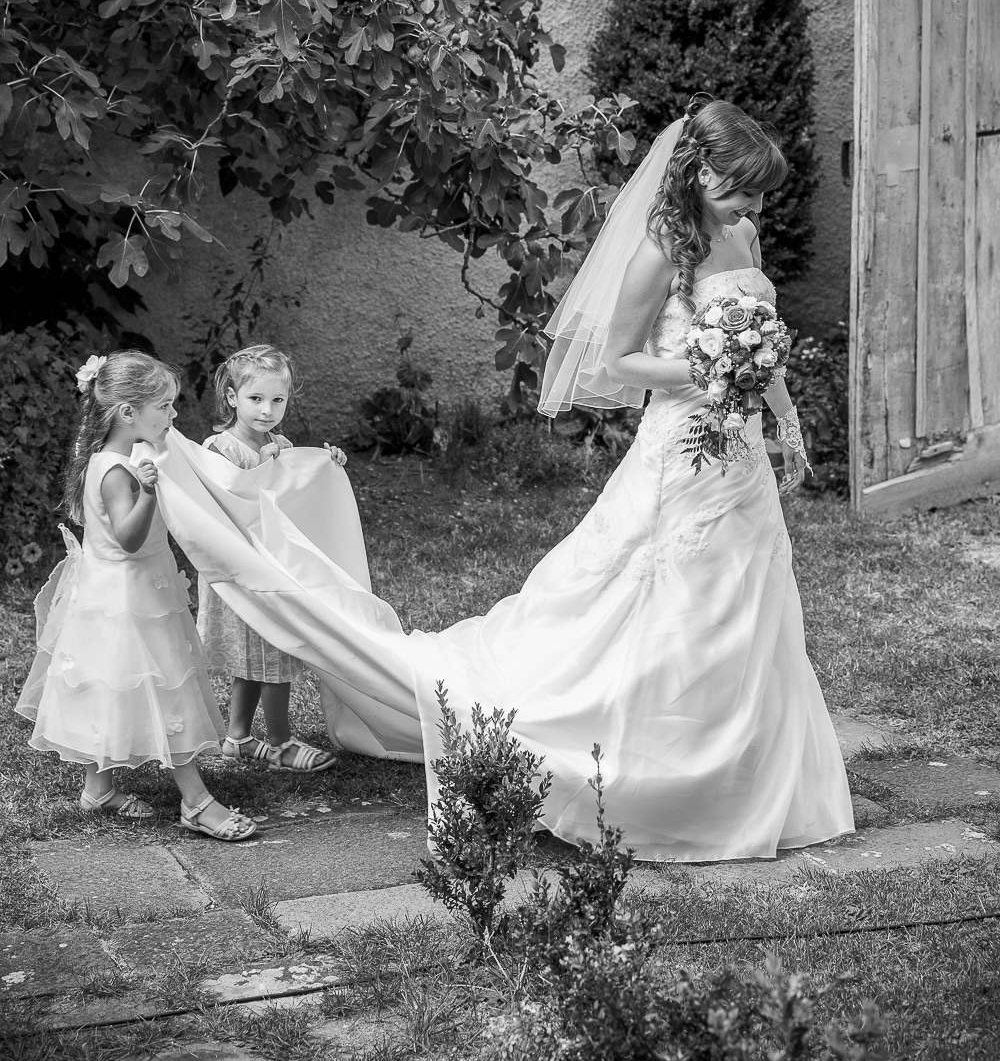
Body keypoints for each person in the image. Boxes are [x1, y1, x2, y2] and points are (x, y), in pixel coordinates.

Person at [146, 97, 854, 863]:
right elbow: (618, 360)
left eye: (756, 194)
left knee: (747, 595)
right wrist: (708, 369)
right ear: (697, 172)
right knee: (667, 597)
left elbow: (760, 344)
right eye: (738, 190)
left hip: (738, 453)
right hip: (681, 448)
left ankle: (745, 772)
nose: (752, 207)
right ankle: (643, 766)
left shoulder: (742, 236)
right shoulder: (662, 249)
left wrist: (782, 418)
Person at [15, 351, 256, 842]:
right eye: (164, 407)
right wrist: (148, 493)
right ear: (129, 412)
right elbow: (126, 538)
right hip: (130, 598)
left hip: (117, 591)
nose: (172, 415)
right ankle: (196, 801)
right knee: (166, 685)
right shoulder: (120, 472)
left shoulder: (109, 458)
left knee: (113, 687)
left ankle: (97, 789)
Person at [197, 344, 346, 773]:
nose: (267, 410)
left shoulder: (280, 444)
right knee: (273, 651)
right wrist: (261, 468)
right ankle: (280, 742)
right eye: (255, 399)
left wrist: (324, 465)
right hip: (241, 569)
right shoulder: (219, 448)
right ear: (232, 398)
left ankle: (237, 737)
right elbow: (225, 504)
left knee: (260, 654)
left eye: (277, 400)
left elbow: (294, 497)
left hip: (273, 563)